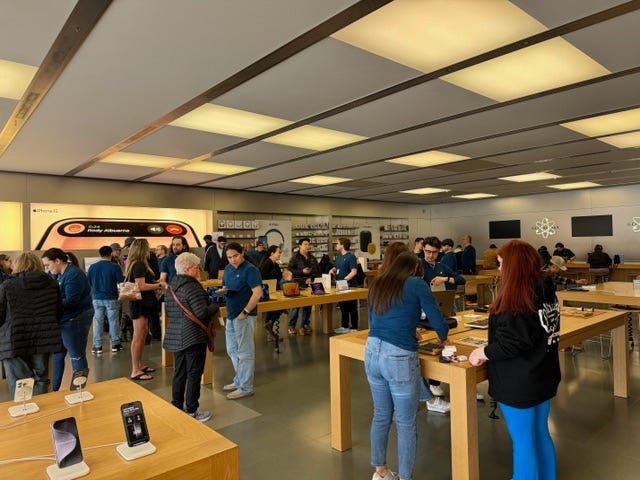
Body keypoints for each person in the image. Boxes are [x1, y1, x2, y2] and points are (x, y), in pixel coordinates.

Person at [469, 240, 561, 480]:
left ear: (513, 266)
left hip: (520, 383)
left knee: (522, 442)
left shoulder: (518, 297)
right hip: (542, 375)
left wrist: (483, 352)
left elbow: (513, 342)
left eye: (501, 265)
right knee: (540, 433)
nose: (499, 270)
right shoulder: (544, 290)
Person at [366, 251, 449, 480]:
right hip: (399, 356)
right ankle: (404, 477)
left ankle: (381, 472)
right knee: (405, 422)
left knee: (381, 415)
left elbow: (374, 321)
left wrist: (406, 327)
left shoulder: (379, 282)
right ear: (414, 268)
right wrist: (443, 337)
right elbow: (435, 316)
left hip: (372, 351)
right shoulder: (416, 284)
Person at [164, 252, 218, 422]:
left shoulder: (172, 286)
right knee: (194, 373)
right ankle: (192, 410)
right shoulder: (192, 286)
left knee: (179, 372)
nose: (199, 270)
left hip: (175, 335)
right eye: (196, 267)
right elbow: (201, 312)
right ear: (188, 269)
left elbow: (169, 311)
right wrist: (215, 306)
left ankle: (177, 406)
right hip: (193, 336)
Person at [0, 252, 62, 398]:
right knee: (41, 378)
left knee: (18, 381)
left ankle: (23, 414)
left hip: (14, 340)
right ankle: (39, 413)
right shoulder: (52, 284)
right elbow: (58, 312)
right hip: (43, 340)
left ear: (17, 265)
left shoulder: (7, 285)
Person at [41, 248, 94, 391]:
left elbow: (71, 301)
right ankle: (54, 388)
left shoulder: (74, 274)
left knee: (76, 355)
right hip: (64, 319)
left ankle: (79, 389)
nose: (47, 268)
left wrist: (50, 303)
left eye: (48, 265)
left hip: (75, 319)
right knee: (58, 354)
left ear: (58, 261)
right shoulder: (58, 275)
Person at [222, 242, 262, 399]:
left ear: (242, 253)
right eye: (229, 257)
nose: (232, 260)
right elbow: (225, 287)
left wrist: (245, 312)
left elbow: (257, 293)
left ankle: (245, 387)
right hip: (231, 314)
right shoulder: (228, 269)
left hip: (244, 316)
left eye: (235, 256)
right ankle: (239, 379)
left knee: (245, 352)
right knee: (232, 350)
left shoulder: (251, 270)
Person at [124, 239, 164, 381]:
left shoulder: (136, 264)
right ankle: (135, 369)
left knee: (143, 333)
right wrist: (158, 285)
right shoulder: (139, 264)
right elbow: (140, 286)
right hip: (139, 304)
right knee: (138, 336)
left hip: (143, 304)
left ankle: (139, 364)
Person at [88, 245, 124, 354]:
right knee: (113, 321)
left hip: (97, 298)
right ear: (111, 253)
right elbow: (121, 281)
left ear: (100, 254)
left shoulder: (92, 267)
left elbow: (88, 282)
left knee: (98, 322)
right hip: (111, 298)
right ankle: (115, 344)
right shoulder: (115, 267)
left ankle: (98, 346)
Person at [287, 237, 320, 335]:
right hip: (296, 285)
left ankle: (304, 325)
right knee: (295, 306)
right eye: (305, 244)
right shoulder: (295, 258)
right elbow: (289, 270)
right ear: (300, 246)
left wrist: (312, 278)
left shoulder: (312, 258)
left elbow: (317, 271)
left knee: (308, 305)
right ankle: (291, 326)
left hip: (309, 285)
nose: (307, 246)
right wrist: (302, 271)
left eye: (308, 244)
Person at [331, 238, 359, 334]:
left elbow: (354, 271)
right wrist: (333, 270)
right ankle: (344, 325)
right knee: (343, 307)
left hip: (350, 286)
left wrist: (345, 280)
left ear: (342, 245)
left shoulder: (351, 257)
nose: (336, 245)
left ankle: (354, 326)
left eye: (338, 243)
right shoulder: (339, 257)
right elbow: (337, 267)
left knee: (352, 307)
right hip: (340, 285)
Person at [259, 245, 284, 340]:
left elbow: (279, 276)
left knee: (278, 307)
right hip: (268, 291)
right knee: (272, 309)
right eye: (278, 252)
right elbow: (263, 277)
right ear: (272, 253)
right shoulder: (267, 263)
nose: (280, 254)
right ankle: (270, 331)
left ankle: (270, 327)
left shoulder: (275, 264)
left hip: (275, 290)